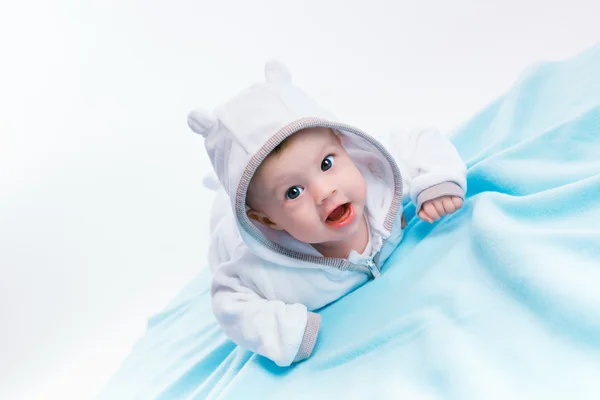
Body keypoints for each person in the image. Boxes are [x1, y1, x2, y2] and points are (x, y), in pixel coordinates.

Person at [187, 61, 467, 367]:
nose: (324, 192)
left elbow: (419, 140)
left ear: (345, 146)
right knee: (224, 214)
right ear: (268, 220)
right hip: (227, 229)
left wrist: (437, 181)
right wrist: (284, 332)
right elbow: (228, 299)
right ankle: (222, 191)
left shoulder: (379, 178)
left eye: (327, 164)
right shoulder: (269, 272)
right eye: (293, 192)